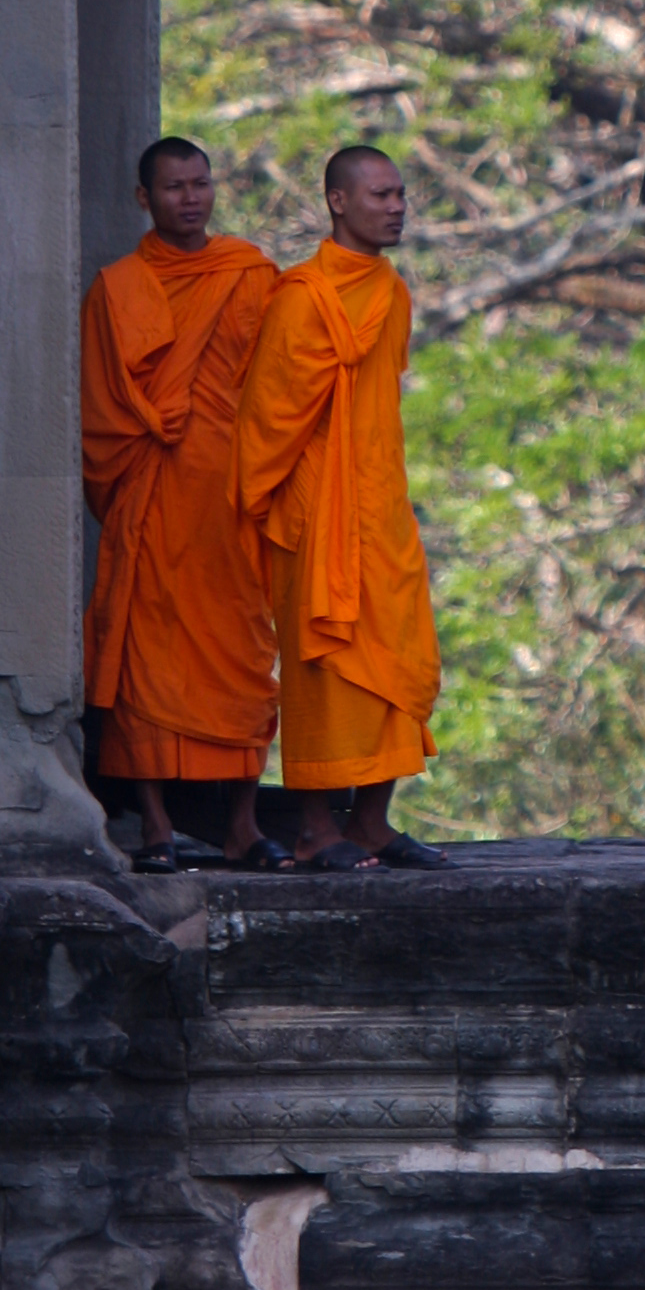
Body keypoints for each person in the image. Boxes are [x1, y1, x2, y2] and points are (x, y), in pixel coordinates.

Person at [234, 143, 447, 869]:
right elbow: (269, 415)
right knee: (322, 667)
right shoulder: (303, 297)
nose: (395, 209)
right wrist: (260, 505)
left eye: (399, 196)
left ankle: (374, 823)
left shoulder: (389, 292)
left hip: (380, 505)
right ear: (338, 202)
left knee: (402, 656)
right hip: (316, 509)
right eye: (381, 196)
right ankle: (316, 827)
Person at [81, 135, 287, 873]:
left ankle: (241, 823)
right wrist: (148, 424)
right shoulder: (118, 288)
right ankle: (158, 825)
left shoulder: (249, 273)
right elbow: (100, 408)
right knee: (145, 659)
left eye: (201, 184)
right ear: (145, 198)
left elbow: (279, 384)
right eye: (174, 188)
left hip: (233, 499)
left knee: (243, 656)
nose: (191, 198)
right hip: (154, 494)